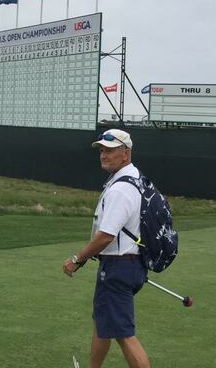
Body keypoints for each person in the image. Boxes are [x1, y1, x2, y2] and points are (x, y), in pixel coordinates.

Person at [62, 129, 150, 368]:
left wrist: (77, 259)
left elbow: (105, 237)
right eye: (101, 150)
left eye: (110, 150)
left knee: (123, 333)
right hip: (127, 264)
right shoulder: (131, 178)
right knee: (103, 322)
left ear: (125, 153)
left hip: (119, 266)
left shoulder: (121, 188)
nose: (103, 155)